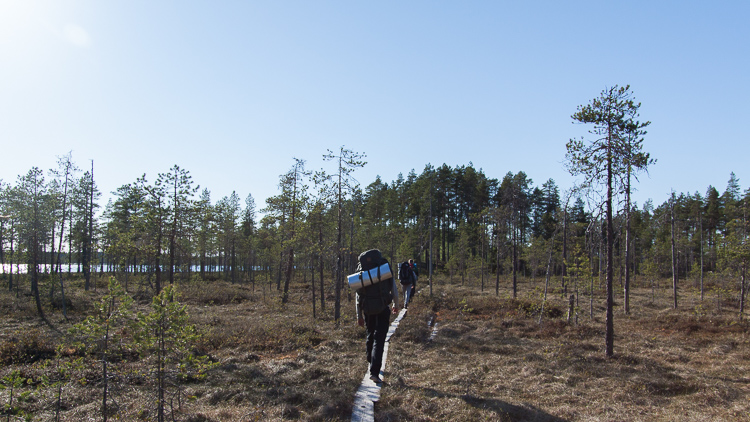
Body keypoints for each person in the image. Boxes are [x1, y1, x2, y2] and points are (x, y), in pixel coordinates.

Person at [355, 249, 399, 384]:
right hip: (383, 308)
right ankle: (374, 372)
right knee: (379, 340)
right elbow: (394, 288)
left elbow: (358, 295)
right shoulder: (384, 269)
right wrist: (396, 304)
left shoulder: (362, 271)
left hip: (367, 309)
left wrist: (359, 315)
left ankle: (371, 360)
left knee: (370, 335)